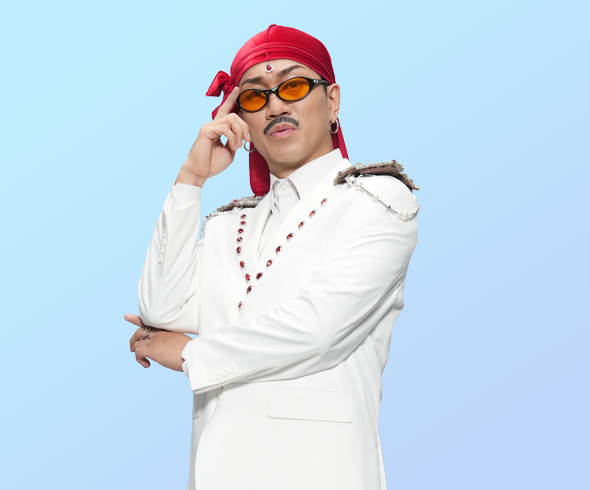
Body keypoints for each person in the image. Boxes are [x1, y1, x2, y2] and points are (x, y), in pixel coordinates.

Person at [124, 24, 420, 490]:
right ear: (239, 119)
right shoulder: (229, 224)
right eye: (255, 96)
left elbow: (319, 327)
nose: (276, 105)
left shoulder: (376, 199)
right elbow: (161, 307)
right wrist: (191, 179)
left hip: (319, 472)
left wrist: (191, 354)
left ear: (333, 101)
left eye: (294, 86)